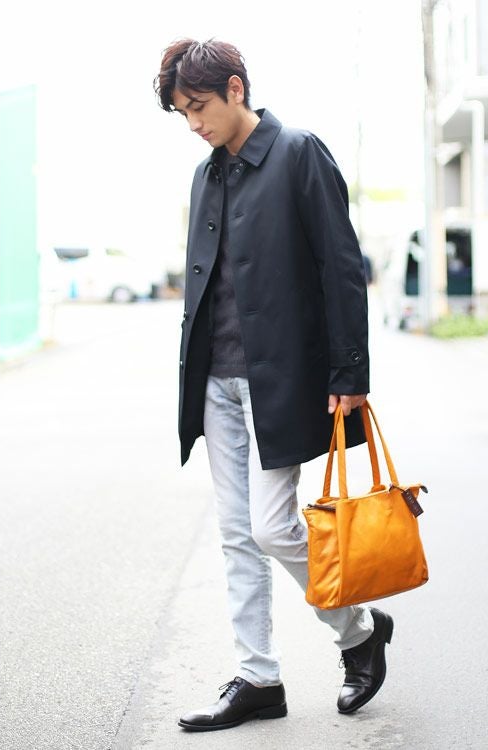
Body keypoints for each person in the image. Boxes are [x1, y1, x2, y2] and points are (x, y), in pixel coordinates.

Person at [154, 38, 393, 732]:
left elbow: (342, 267)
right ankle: (258, 678)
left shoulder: (298, 153)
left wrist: (349, 371)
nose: (193, 122)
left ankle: (358, 632)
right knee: (237, 536)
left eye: (199, 106)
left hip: (278, 380)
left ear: (236, 88)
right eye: (183, 113)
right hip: (215, 382)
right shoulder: (205, 175)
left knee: (271, 526)